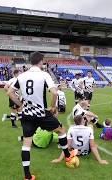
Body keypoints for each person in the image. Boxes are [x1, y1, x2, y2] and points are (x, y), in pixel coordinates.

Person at [7, 52, 76, 180]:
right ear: (41, 61)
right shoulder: (44, 74)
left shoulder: (22, 76)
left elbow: (10, 92)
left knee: (26, 144)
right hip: (41, 113)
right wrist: (53, 107)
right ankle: (67, 156)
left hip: (27, 114)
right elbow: (55, 93)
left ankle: (27, 176)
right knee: (61, 130)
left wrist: (20, 104)